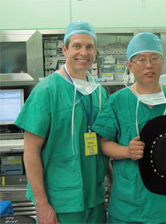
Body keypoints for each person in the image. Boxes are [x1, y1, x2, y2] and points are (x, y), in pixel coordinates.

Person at [91, 32, 166, 223]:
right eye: (141, 59)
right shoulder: (118, 102)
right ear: (129, 66)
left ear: (162, 62)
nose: (148, 65)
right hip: (127, 207)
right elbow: (103, 143)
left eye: (154, 58)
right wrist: (126, 151)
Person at [15, 21, 109, 224]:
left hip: (95, 198)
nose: (83, 52)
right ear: (64, 50)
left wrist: (112, 185)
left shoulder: (99, 93)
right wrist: (42, 206)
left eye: (89, 47)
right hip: (60, 203)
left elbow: (104, 144)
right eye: (77, 46)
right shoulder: (47, 91)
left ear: (95, 52)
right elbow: (30, 152)